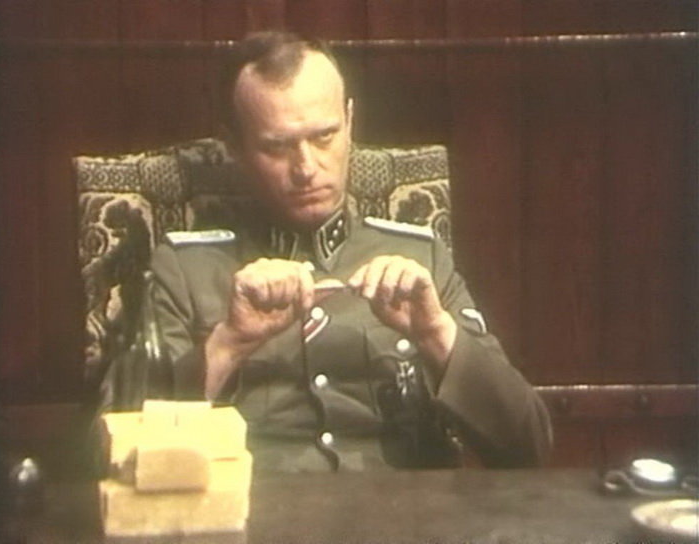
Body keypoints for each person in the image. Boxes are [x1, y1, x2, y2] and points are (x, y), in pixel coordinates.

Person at [144, 31, 552, 471]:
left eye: (324, 136)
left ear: (350, 123)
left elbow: (528, 445)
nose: (306, 168)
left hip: (409, 509)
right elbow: (123, 444)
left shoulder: (422, 259)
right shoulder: (185, 269)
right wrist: (228, 344)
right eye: (277, 146)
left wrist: (436, 333)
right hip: (257, 506)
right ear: (235, 148)